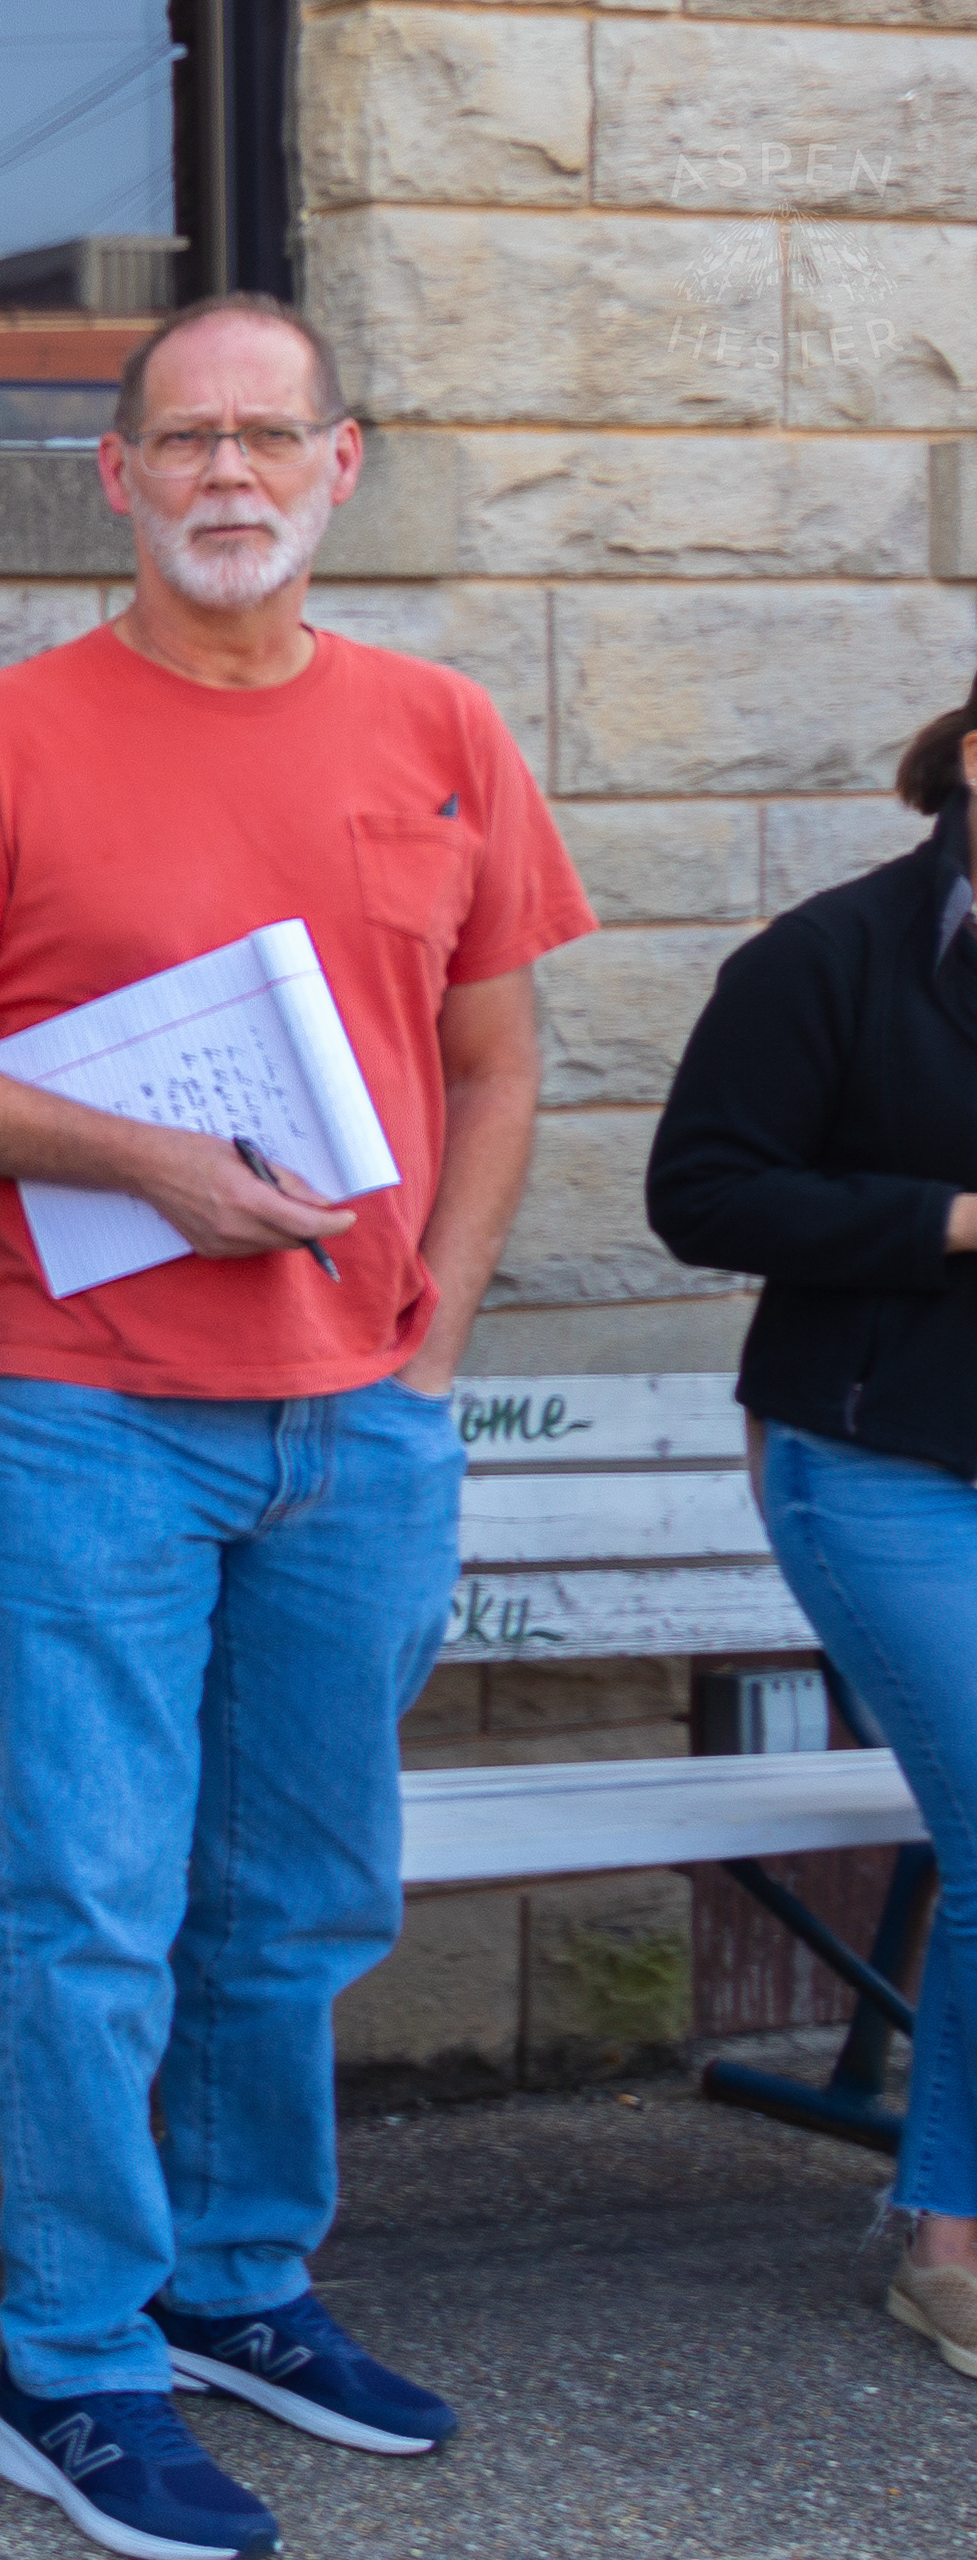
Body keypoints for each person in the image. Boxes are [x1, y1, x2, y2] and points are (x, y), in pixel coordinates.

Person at [0, 293, 594, 2560]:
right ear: (121, 475)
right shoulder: (2, 737)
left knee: (305, 1894)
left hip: (358, 1420)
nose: (231, 475)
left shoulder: (441, 724)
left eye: (273, 437)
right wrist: (136, 1160)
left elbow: (498, 1055)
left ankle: (239, 2283)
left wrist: (437, 1313)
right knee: (93, 1897)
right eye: (189, 440)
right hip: (90, 1418)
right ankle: (67, 2355)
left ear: (339, 465)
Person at [647, 676, 977, 2392]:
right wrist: (955, 1218)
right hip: (882, 1459)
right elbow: (700, 1190)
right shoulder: (830, 957)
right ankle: (952, 2244)